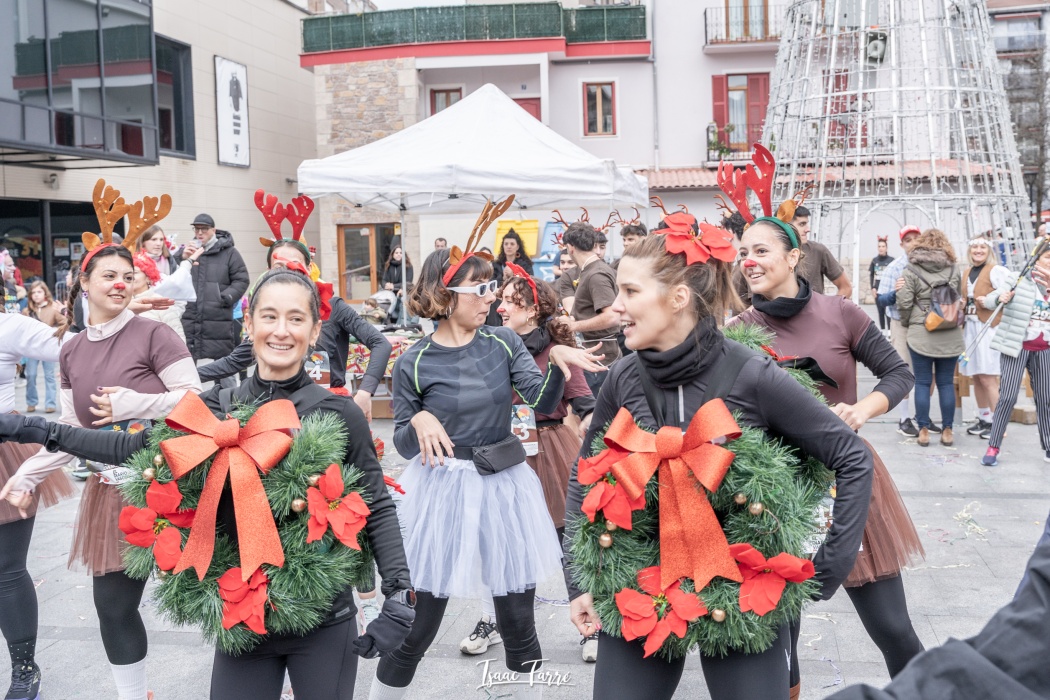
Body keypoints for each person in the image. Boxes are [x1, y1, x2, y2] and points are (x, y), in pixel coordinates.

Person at [0, 269, 415, 699]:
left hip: (324, 617)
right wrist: (30, 428)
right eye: (269, 316)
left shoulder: (339, 414)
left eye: (296, 319)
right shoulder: (215, 407)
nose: (281, 330)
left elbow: (376, 503)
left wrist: (399, 594)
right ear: (249, 324)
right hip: (241, 615)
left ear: (314, 332)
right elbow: (131, 446)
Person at [563, 229, 874, 700]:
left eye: (630, 291)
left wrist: (827, 568)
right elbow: (584, 475)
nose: (616, 306)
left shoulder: (752, 373)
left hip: (741, 589)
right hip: (640, 581)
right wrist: (578, 580)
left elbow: (852, 457)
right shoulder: (623, 377)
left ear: (678, 298)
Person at [370, 222, 605, 700]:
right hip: (440, 491)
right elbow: (403, 442)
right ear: (445, 295)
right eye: (480, 289)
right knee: (418, 623)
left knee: (517, 622)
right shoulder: (414, 361)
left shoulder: (503, 342)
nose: (491, 298)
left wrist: (559, 363)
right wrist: (419, 421)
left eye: (491, 286)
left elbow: (540, 401)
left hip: (502, 486)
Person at [1, 241, 201, 700]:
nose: (119, 284)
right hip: (112, 491)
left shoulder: (153, 334)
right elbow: (71, 429)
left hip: (174, 485)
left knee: (216, 594)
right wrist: (27, 474)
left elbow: (195, 399)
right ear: (84, 284)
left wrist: (135, 403)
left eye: (127, 277)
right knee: (112, 607)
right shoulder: (72, 350)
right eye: (108, 275)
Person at [732, 220, 925, 692]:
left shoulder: (840, 312)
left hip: (845, 478)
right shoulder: (736, 332)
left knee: (892, 626)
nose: (749, 261)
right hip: (771, 491)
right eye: (742, 253)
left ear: (794, 257)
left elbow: (898, 374)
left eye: (761, 250)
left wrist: (860, 410)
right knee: (780, 639)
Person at [458, 267, 597, 662]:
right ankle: (494, 620)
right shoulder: (489, 345)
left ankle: (590, 626)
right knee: (499, 541)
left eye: (511, 302)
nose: (500, 307)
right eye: (500, 300)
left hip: (549, 449)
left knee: (567, 539)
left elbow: (583, 401)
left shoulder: (556, 347)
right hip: (502, 451)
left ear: (534, 309)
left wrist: (595, 431)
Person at [199, 238, 392, 421]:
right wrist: (186, 375)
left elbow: (380, 343)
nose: (288, 271)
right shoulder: (267, 321)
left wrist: (365, 392)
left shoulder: (334, 308)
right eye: (279, 266)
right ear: (269, 272)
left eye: (295, 264)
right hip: (275, 413)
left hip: (327, 414)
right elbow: (233, 362)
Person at [0, 303, 73, 700]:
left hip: (3, 451)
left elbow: (79, 348)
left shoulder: (7, 326)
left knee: (5, 570)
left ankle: (24, 671)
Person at [979, 246, 1050, 466]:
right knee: (1008, 397)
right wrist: (1001, 297)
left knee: (1045, 399)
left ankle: (1048, 446)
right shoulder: (1018, 279)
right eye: (1048, 257)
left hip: (1044, 349)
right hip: (1015, 346)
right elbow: (989, 300)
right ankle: (993, 446)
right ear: (1036, 259)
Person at [896, 228, 964, 447]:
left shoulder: (911, 269)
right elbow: (957, 297)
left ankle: (923, 430)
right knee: (945, 383)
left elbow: (904, 302)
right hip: (950, 331)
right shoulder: (953, 269)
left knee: (923, 383)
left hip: (921, 331)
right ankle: (947, 430)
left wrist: (909, 322)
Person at [180, 213, 250, 383]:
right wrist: (182, 259)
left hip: (218, 319)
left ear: (213, 230)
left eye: (204, 229)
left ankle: (229, 398)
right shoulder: (189, 252)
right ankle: (186, 398)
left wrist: (225, 298)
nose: (200, 233)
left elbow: (242, 279)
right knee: (185, 369)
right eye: (196, 229)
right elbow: (173, 277)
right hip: (190, 318)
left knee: (223, 370)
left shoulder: (229, 252)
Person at [560, 221, 621, 395]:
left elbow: (612, 317)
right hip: (595, 358)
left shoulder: (596, 274)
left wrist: (574, 326)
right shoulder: (591, 270)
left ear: (570, 247)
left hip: (601, 361)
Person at [876, 225, 926, 437]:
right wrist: (896, 292)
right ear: (902, 244)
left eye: (916, 238)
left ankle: (923, 418)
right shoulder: (894, 268)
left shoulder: (930, 264)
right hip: (902, 324)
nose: (913, 243)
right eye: (908, 240)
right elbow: (881, 299)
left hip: (926, 325)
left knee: (927, 372)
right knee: (904, 370)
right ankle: (904, 418)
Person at [961, 238, 1005, 439]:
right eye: (975, 247)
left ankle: (998, 424)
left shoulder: (995, 270)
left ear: (989, 250)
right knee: (977, 376)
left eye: (982, 247)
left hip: (988, 327)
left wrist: (990, 300)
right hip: (971, 327)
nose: (978, 250)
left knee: (988, 377)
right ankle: (984, 418)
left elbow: (1008, 293)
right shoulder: (967, 272)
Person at [22, 281, 66, 414]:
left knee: (49, 376)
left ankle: (50, 404)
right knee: (31, 375)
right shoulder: (27, 311)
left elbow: (64, 323)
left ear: (45, 293)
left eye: (39, 292)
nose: (36, 295)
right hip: (31, 347)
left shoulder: (53, 308)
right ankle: (31, 402)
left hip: (48, 347)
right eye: (33, 292)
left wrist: (52, 333)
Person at [793, 206, 852, 297]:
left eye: (806, 224)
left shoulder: (817, 250)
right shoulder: (772, 254)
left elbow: (845, 287)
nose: (808, 229)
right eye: (801, 224)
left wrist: (829, 306)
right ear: (785, 225)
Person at [870, 236, 895, 330]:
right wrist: (873, 288)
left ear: (886, 248)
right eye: (879, 246)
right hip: (878, 291)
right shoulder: (874, 261)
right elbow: (872, 275)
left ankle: (889, 332)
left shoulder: (891, 260)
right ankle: (882, 331)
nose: (881, 248)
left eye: (883, 246)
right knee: (880, 312)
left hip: (888, 291)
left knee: (888, 312)